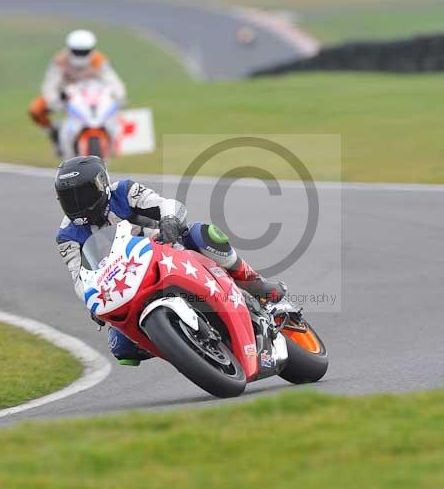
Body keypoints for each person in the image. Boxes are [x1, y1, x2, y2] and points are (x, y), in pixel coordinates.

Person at [54, 156, 287, 366]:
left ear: (101, 184)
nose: (77, 203)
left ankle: (252, 281)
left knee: (201, 233)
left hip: (168, 249)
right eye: (68, 198)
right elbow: (80, 279)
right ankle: (183, 346)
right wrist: (92, 300)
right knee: (121, 347)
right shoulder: (67, 236)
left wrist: (168, 221)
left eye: (83, 193)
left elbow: (167, 204)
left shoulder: (124, 192)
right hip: (128, 285)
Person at [28, 30, 127, 155]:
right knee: (36, 109)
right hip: (66, 95)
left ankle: (110, 143)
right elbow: (50, 85)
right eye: (77, 51)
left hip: (93, 95)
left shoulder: (98, 60)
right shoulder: (60, 61)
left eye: (84, 52)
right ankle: (53, 133)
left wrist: (119, 95)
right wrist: (54, 101)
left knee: (112, 114)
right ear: (70, 49)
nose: (80, 55)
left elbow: (113, 80)